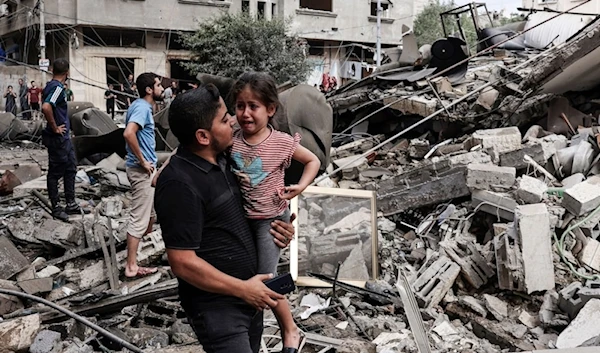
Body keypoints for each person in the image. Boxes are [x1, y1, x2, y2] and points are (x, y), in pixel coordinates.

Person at [154, 85, 296, 353]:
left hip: (250, 298)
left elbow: (243, 216)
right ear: (203, 136)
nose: (233, 120)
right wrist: (243, 289)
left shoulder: (225, 160)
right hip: (218, 310)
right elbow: (182, 262)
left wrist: (279, 227)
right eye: (223, 119)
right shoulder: (179, 183)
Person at [230, 71, 320, 351]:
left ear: (270, 109)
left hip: (271, 220)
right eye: (240, 106)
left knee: (264, 278)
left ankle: (289, 329)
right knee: (250, 276)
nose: (246, 114)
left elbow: (313, 161)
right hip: (242, 218)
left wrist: (300, 187)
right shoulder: (231, 138)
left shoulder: (280, 142)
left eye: (253, 106)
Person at [123, 72, 164, 278]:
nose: (162, 89)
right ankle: (131, 266)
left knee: (149, 216)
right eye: (158, 85)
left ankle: (140, 256)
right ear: (149, 90)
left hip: (145, 170)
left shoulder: (142, 107)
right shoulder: (141, 107)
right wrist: (142, 161)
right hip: (141, 171)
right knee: (139, 218)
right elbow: (128, 133)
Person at [41, 58, 80, 221]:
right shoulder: (57, 88)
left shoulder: (53, 86)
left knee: (71, 167)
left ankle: (71, 203)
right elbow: (46, 106)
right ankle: (56, 206)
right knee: (55, 172)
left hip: (64, 138)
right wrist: (55, 127)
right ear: (67, 73)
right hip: (58, 138)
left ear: (52, 70)